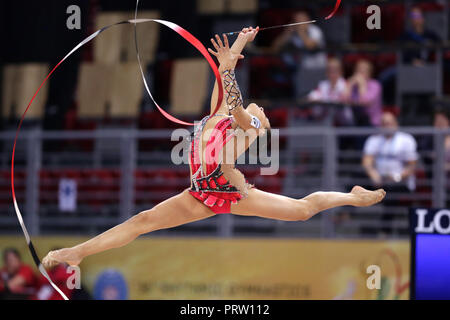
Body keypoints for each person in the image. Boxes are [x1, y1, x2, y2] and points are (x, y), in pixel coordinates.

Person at [42, 27, 385, 270]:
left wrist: (233, 78)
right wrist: (239, 43)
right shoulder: (216, 113)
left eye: (262, 110)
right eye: (258, 107)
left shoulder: (248, 126)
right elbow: (226, 81)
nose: (259, 108)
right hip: (200, 193)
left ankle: (353, 197)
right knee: (141, 221)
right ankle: (77, 253)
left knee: (302, 210)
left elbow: (235, 101)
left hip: (231, 192)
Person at [362, 111, 418, 234]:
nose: (387, 126)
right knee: (356, 182)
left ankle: (384, 231)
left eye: (389, 123)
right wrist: (373, 174)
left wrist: (397, 176)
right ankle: (342, 217)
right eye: (384, 123)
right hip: (379, 179)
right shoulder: (374, 140)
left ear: (396, 124)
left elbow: (412, 166)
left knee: (390, 192)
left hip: (400, 181)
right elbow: (367, 161)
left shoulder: (406, 140)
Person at [308, 57, 352, 125]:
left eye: (335, 71)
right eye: (330, 71)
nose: (332, 74)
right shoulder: (322, 85)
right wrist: (314, 98)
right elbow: (313, 96)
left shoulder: (346, 84)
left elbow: (346, 98)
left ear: (341, 72)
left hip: (344, 123)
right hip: (326, 122)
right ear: (326, 73)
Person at [343, 59, 383, 127]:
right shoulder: (352, 85)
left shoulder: (375, 85)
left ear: (370, 73)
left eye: (364, 70)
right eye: (358, 70)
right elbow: (342, 101)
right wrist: (349, 85)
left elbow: (364, 102)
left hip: (371, 123)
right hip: (353, 122)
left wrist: (362, 85)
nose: (360, 73)